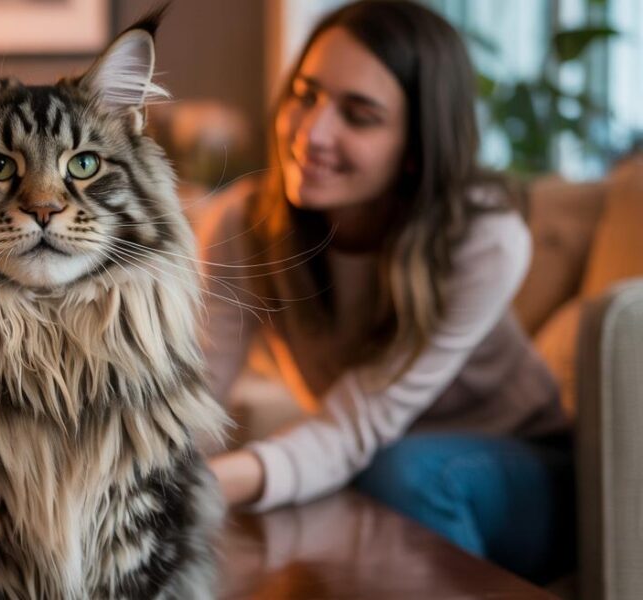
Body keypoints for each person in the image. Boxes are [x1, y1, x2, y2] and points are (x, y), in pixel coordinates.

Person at [198, 0, 573, 584]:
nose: (312, 132)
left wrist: (204, 486)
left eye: (360, 115)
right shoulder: (240, 224)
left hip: (522, 468)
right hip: (378, 458)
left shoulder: (485, 239)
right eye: (305, 94)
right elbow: (192, 394)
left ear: (416, 148)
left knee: (398, 474)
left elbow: (358, 427)